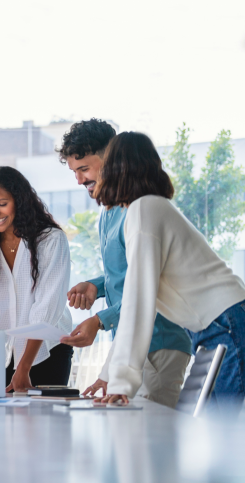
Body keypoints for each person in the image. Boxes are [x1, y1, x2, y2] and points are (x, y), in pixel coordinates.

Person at [91, 132, 245, 412]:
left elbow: (138, 301)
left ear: (114, 169)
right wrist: (112, 376)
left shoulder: (144, 210)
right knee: (216, 430)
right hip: (220, 323)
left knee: (225, 431)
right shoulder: (150, 207)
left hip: (225, 322)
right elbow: (134, 304)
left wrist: (121, 383)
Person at [57, 119, 191, 408]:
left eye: (85, 169)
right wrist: (96, 286)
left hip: (158, 344)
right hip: (131, 346)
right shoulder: (108, 212)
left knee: (149, 442)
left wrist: (99, 320)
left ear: (113, 159)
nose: (79, 180)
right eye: (74, 172)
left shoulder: (141, 209)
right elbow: (126, 274)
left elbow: (147, 288)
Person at [0, 166, 73, 391]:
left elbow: (46, 309)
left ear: (19, 201)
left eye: (2, 204)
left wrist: (23, 369)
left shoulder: (50, 240)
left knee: (44, 422)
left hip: (47, 351)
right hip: (6, 353)